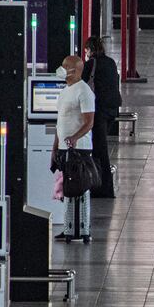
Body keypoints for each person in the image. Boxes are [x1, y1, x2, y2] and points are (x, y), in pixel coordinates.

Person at [54, 56, 96, 240]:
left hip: (80, 149)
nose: (61, 69)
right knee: (67, 188)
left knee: (80, 186)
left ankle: (82, 228)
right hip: (65, 148)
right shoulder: (65, 90)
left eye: (65, 66)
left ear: (75, 70)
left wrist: (75, 138)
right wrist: (56, 146)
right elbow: (60, 122)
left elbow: (89, 122)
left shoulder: (84, 91)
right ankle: (69, 227)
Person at [84, 38, 121, 199]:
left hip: (100, 109)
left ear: (90, 50)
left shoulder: (91, 64)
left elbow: (81, 82)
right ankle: (100, 185)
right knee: (100, 146)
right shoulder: (111, 62)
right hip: (113, 108)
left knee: (100, 150)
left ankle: (103, 188)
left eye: (86, 51)